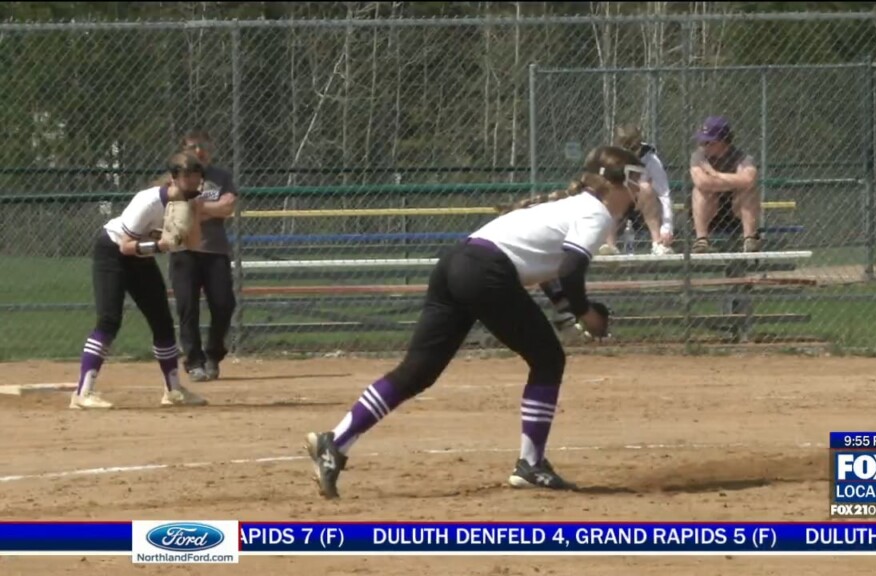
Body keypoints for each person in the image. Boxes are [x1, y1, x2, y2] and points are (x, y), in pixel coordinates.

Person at [303, 146, 646, 499]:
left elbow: (547, 267)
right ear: (615, 184)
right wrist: (586, 313)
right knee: (548, 360)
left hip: (456, 262)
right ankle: (531, 465)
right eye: (635, 179)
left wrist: (564, 308)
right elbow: (571, 270)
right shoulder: (596, 214)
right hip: (486, 272)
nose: (639, 189)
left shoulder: (567, 206)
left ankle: (337, 441)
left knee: (416, 372)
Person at [70, 152, 210, 410]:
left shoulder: (190, 202)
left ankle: (173, 391)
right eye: (187, 177)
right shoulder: (148, 202)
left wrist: (192, 219)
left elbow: (192, 243)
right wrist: (160, 245)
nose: (193, 182)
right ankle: (82, 393)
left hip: (141, 258)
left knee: (162, 322)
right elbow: (125, 247)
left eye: (196, 177)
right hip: (112, 252)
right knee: (109, 319)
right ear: (173, 179)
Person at [169, 130, 239, 382]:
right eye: (193, 147)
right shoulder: (176, 175)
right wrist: (212, 209)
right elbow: (177, 209)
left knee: (223, 304)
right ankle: (194, 361)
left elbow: (228, 207)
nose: (199, 151)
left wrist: (197, 207)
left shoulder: (221, 176)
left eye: (204, 146)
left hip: (214, 250)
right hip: (184, 250)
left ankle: (213, 354)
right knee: (188, 307)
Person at [598, 124, 674, 256]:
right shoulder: (610, 159)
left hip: (644, 206)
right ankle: (609, 245)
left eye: (633, 149)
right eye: (624, 149)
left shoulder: (651, 160)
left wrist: (667, 227)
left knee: (645, 187)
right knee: (610, 191)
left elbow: (664, 193)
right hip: (619, 206)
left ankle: (657, 243)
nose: (629, 154)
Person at [689, 116, 761, 253]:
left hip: (736, 209)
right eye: (703, 142)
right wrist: (735, 181)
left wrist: (715, 175)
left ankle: (750, 239)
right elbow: (702, 182)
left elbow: (749, 180)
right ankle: (701, 240)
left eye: (708, 142)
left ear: (722, 141)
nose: (703, 145)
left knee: (749, 191)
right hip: (709, 210)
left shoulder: (743, 157)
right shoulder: (698, 156)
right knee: (700, 191)